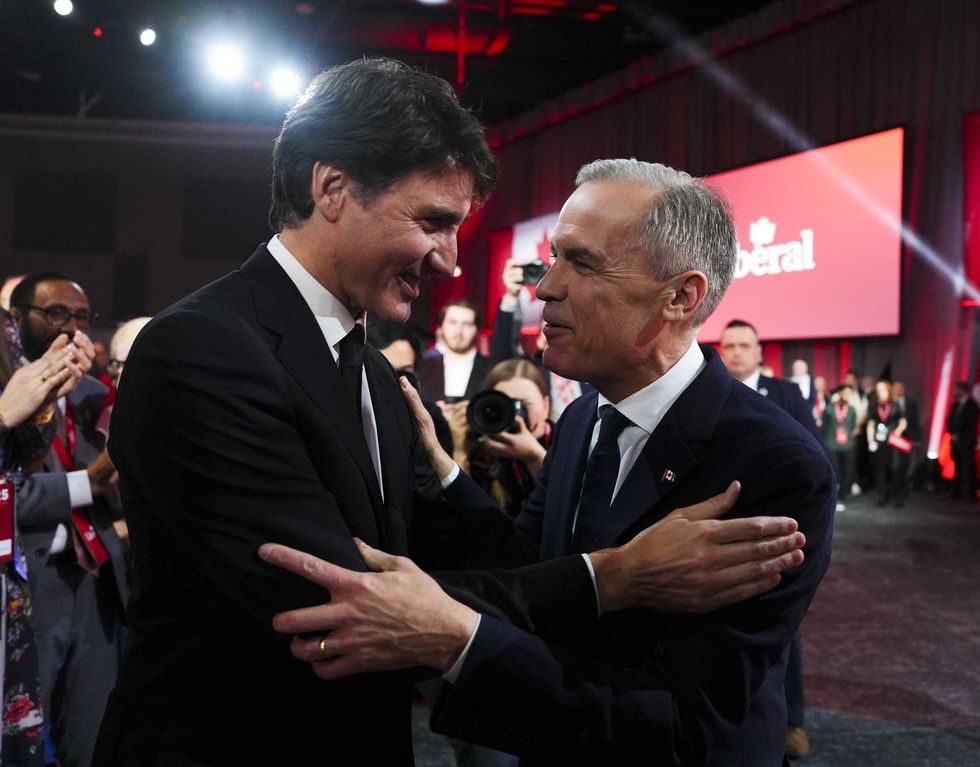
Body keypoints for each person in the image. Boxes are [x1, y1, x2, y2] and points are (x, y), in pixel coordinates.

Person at [93, 62, 803, 766]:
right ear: (332, 187)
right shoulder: (205, 348)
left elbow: (447, 564)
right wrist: (609, 576)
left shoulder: (371, 371)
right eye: (433, 221)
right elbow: (345, 611)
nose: (450, 259)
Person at [262, 158, 835, 765]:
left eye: (582, 262)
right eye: (555, 257)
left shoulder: (773, 464)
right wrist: (444, 475)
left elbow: (682, 723)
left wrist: (459, 640)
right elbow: (531, 570)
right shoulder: (588, 416)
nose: (545, 287)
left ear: (681, 297)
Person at [8, 273, 127, 767]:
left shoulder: (94, 396)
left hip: (96, 581)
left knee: (93, 735)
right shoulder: (7, 397)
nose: (72, 327)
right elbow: (8, 495)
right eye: (57, 313)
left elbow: (120, 492)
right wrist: (89, 483)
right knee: (21, 743)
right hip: (27, 586)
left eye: (81, 316)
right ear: (17, 319)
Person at [0, 311, 93, 767]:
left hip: (7, 577)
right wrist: (1, 416)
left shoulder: (2, 329)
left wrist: (43, 403)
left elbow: (19, 464)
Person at [466, 359, 554, 519]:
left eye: (524, 404)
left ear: (546, 405)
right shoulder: (482, 454)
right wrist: (460, 449)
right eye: (504, 405)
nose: (515, 415)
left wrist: (535, 457)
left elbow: (570, 502)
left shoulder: (568, 441)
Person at [420, 298, 494, 403]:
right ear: (441, 327)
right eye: (453, 322)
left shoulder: (491, 368)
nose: (459, 331)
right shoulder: (422, 365)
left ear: (477, 330)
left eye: (467, 324)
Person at [866, 378, 910, 507]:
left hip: (893, 442)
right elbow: (871, 424)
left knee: (896, 470)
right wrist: (871, 441)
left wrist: (897, 432)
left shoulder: (895, 404)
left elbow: (903, 422)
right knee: (880, 470)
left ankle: (898, 497)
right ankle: (882, 496)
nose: (880, 391)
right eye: (878, 389)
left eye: (882, 388)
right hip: (880, 442)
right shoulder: (874, 405)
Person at [946, 381, 978, 502]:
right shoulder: (956, 405)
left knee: (969, 467)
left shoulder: (972, 405)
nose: (954, 391)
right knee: (957, 467)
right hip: (955, 441)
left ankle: (971, 494)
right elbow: (949, 420)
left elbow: (968, 422)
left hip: (967, 441)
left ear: (962, 390)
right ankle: (956, 492)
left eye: (956, 389)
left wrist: (957, 431)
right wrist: (952, 432)